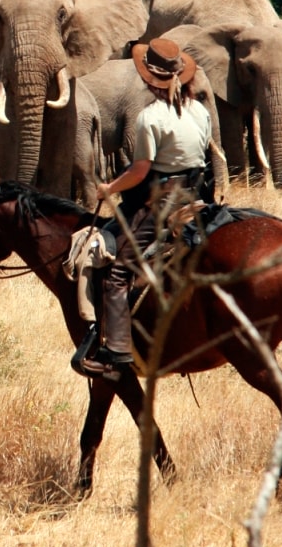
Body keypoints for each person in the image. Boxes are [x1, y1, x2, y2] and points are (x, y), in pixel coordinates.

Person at [77, 37, 213, 379]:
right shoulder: (199, 110)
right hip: (197, 198)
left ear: (147, 79)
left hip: (162, 206)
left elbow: (139, 171)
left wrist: (108, 188)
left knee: (119, 272)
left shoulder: (150, 117)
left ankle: (118, 350)